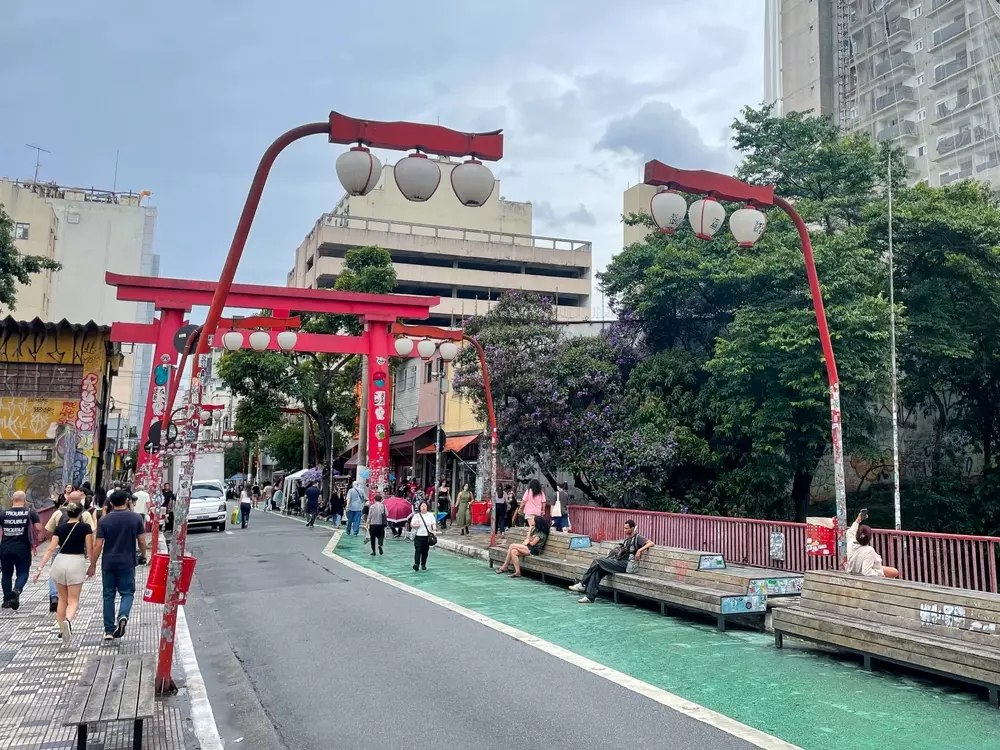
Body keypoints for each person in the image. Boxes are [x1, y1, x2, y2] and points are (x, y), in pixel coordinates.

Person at [89, 488, 147, 640]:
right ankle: (123, 616)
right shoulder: (136, 518)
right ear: (127, 501)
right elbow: (141, 540)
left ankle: (109, 630)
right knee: (127, 593)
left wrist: (92, 564)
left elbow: (98, 545)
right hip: (128, 561)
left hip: (108, 562)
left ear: (112, 503)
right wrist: (143, 554)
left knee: (108, 595)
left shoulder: (104, 520)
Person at [34, 501, 94, 643]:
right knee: (73, 600)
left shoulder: (59, 528)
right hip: (76, 562)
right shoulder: (85, 528)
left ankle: (62, 628)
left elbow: (50, 549)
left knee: (62, 599)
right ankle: (67, 621)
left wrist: (39, 569)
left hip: (59, 562)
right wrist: (92, 565)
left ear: (67, 513)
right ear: (81, 513)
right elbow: (89, 549)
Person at [569, 519, 654, 604]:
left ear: (632, 528)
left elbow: (651, 543)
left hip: (625, 564)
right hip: (618, 562)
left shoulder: (638, 537)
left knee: (597, 561)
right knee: (598, 570)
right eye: (624, 528)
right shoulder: (628, 539)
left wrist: (639, 551)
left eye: (627, 528)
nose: (624, 530)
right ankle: (589, 597)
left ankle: (582, 584)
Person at [44, 491, 96, 612]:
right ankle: (69, 607)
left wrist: (55, 540)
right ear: (80, 500)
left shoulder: (58, 513)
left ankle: (54, 596)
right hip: (77, 554)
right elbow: (91, 536)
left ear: (68, 500)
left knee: (55, 574)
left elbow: (49, 530)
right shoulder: (86, 515)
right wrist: (92, 563)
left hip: (59, 550)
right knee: (73, 589)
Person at [0, 491, 44, 611]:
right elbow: (38, 528)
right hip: (22, 549)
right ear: (24, 500)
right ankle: (17, 590)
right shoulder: (30, 512)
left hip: (5, 548)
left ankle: (7, 600)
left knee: (6, 574)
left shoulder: (3, 513)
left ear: (12, 500)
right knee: (23, 573)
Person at [847, 513, 899, 578]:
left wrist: (858, 520)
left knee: (893, 571)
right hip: (864, 575)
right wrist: (881, 574)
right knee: (894, 572)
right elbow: (866, 572)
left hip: (855, 570)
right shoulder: (869, 551)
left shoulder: (851, 542)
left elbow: (850, 532)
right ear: (870, 538)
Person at [409, 501, 437, 571]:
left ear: (427, 507)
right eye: (422, 506)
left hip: (427, 536)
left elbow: (433, 524)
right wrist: (416, 525)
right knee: (418, 550)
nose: (423, 507)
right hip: (418, 536)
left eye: (424, 506)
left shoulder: (430, 515)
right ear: (419, 507)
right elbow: (411, 524)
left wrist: (434, 529)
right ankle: (416, 564)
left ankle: (423, 564)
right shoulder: (416, 515)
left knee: (425, 551)